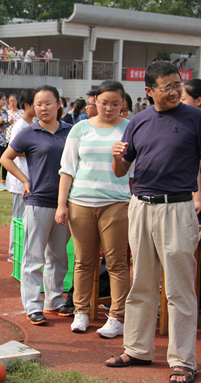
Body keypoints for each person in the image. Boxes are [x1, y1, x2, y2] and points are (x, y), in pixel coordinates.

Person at [105, 61, 201, 383]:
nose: (175, 91)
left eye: (177, 84)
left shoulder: (195, 118)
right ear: (149, 92)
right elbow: (121, 171)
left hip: (177, 207)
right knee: (141, 283)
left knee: (179, 289)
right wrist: (117, 155)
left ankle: (183, 361)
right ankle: (137, 348)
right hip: (141, 207)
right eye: (167, 87)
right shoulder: (138, 122)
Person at [55, 80, 131, 338]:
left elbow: (136, 169)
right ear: (95, 102)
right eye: (104, 103)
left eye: (116, 104)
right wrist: (61, 204)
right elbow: (67, 169)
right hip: (80, 203)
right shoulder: (80, 129)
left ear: (123, 105)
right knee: (84, 261)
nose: (109, 108)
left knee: (116, 263)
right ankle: (81, 312)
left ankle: (117, 316)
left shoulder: (130, 129)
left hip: (117, 203)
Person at [0, 85, 74, 325]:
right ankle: (33, 305)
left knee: (59, 255)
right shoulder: (28, 133)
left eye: (48, 103)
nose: (43, 108)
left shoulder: (71, 132)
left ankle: (55, 299)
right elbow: (5, 158)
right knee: (34, 256)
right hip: (39, 200)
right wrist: (24, 180)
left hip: (65, 202)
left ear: (59, 103)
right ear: (32, 106)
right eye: (38, 104)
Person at [6, 89, 35, 262]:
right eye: (37, 104)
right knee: (18, 217)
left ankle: (22, 249)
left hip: (28, 178)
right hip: (19, 180)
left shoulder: (32, 124)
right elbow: (14, 151)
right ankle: (13, 251)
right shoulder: (20, 126)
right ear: (27, 105)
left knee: (26, 216)